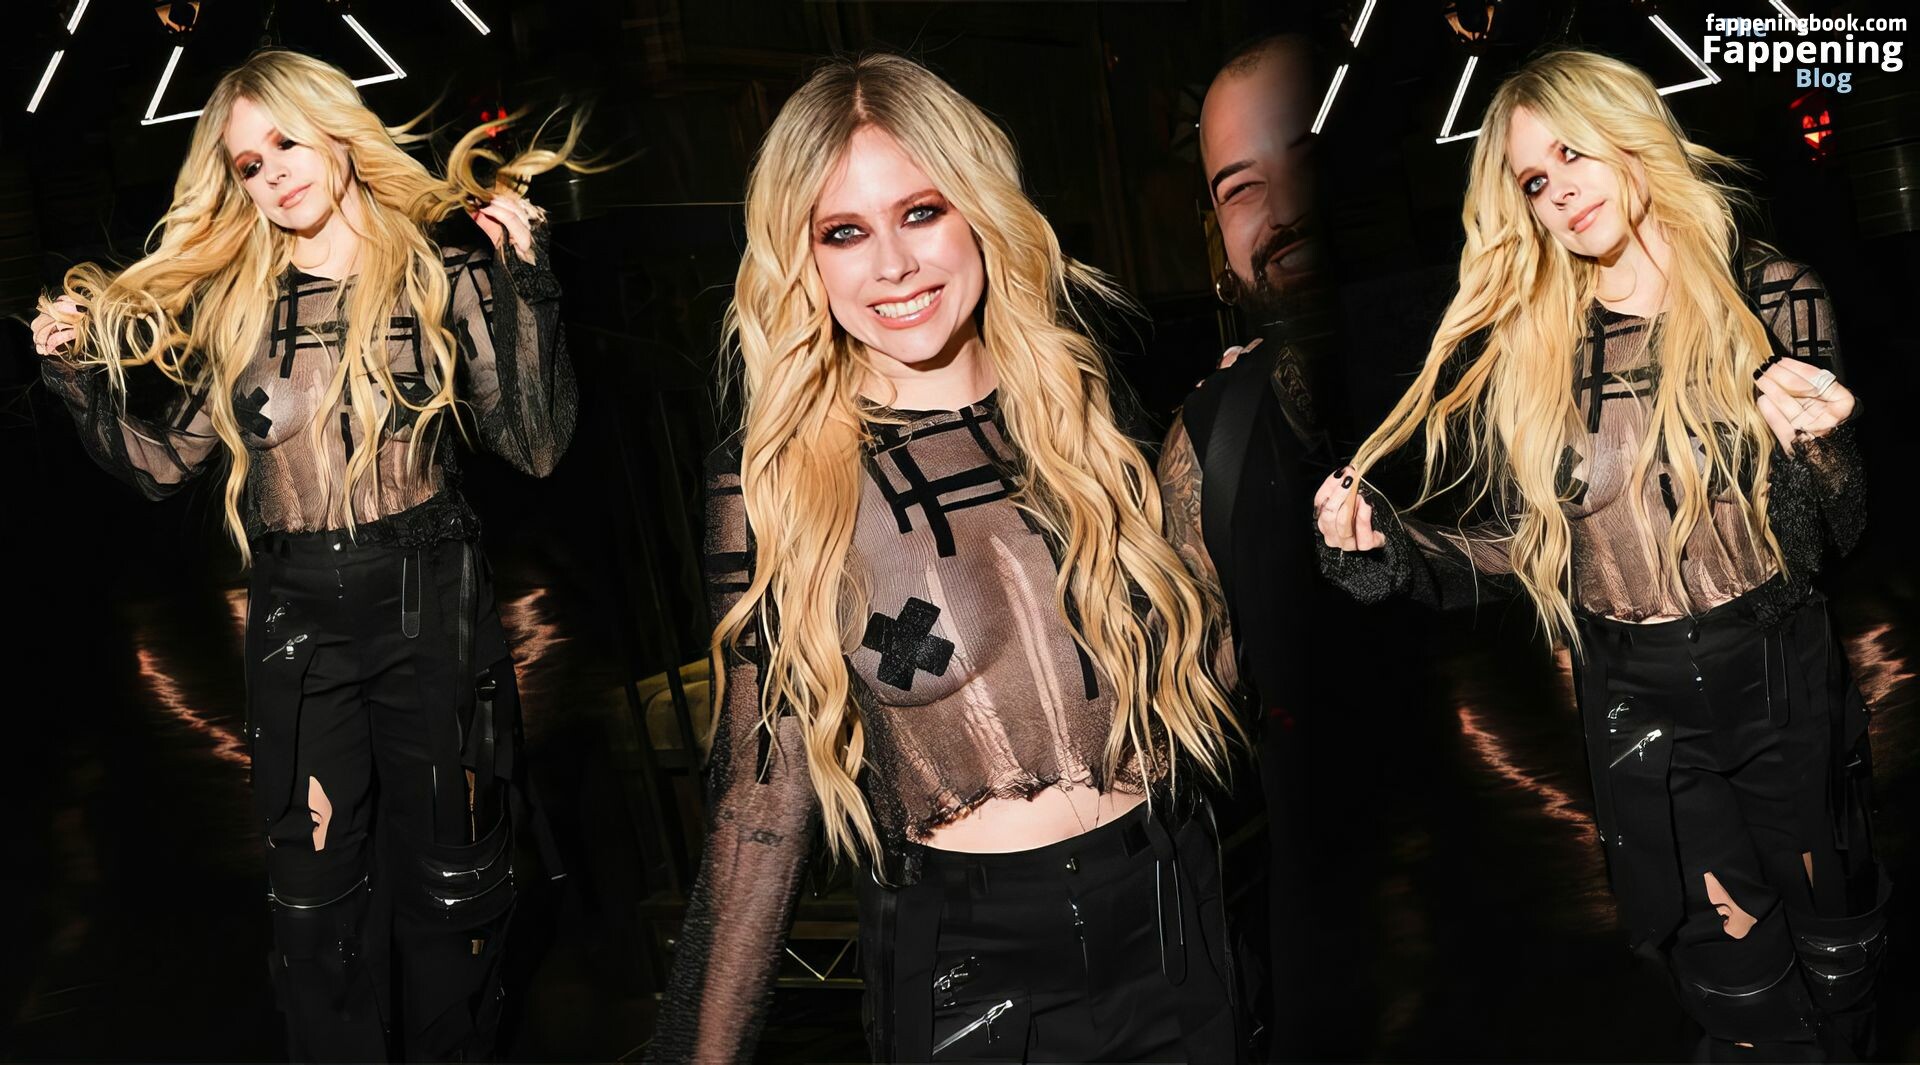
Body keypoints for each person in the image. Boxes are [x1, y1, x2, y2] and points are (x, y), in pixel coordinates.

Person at [650, 53, 1244, 1063]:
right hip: (971, 969)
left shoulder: (1084, 417)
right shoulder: (779, 484)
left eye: (921, 212)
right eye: (844, 231)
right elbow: (762, 807)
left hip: (1175, 921)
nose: (892, 264)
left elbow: (1207, 680)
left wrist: (1229, 451)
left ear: (979, 213)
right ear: (804, 259)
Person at [1314, 50, 1885, 1061]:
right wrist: (1392, 550)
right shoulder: (1540, 347)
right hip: (1639, 708)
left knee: (1838, 958)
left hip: (1779, 677)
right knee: (1737, 990)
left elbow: (1830, 538)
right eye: (1535, 179)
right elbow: (1525, 545)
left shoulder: (1773, 298)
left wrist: (1826, 450)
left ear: (1631, 135)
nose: (1559, 190)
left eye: (1573, 153)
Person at [29, 50, 591, 1061]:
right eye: (249, 163)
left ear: (337, 132)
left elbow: (537, 443)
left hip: (433, 600)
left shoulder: (442, 273)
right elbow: (163, 467)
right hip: (297, 618)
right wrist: (76, 376)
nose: (274, 172)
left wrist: (526, 281)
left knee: (455, 882)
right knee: (314, 895)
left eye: (287, 141)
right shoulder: (240, 306)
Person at [1159, 32, 1350, 1060]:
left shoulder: (1526, 359)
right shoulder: (1208, 439)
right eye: (1240, 188)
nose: (1280, 210)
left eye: (1308, 159)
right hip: (1342, 955)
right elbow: (1185, 688)